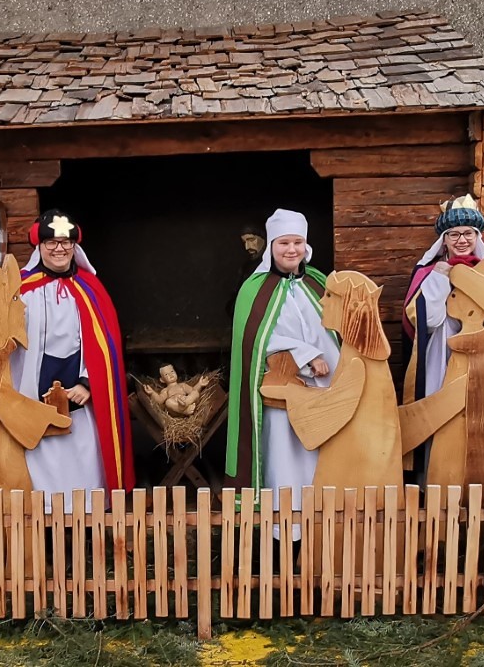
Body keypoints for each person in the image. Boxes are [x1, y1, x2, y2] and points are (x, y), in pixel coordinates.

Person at [0, 209, 134, 511]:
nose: (59, 248)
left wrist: (88, 382)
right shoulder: (21, 290)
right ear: (40, 246)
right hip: (31, 399)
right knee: (39, 473)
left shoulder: (91, 290)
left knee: (84, 467)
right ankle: (44, 528)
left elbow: (108, 346)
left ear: (74, 245)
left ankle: (86, 528)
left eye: (65, 242)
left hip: (79, 400)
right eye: (51, 242)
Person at [402, 194, 484, 473]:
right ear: (444, 240)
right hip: (442, 353)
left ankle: (481, 476)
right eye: (454, 234)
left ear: (477, 236)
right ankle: (435, 476)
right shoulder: (429, 273)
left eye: (468, 233)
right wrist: (440, 277)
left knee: (481, 410)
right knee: (440, 411)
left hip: (483, 354)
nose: (462, 240)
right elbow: (429, 320)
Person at [225, 208, 341, 515]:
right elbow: (257, 340)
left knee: (324, 456)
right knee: (287, 456)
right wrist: (305, 354)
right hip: (284, 394)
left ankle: (322, 519)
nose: (292, 250)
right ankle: (286, 527)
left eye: (297, 242)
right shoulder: (255, 289)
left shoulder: (319, 282)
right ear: (272, 246)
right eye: (284, 243)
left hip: (326, 390)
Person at [143, 364, 210, 416]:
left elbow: (193, 390)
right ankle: (184, 411)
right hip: (175, 407)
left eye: (172, 371)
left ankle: (185, 404)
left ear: (176, 372)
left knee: (195, 393)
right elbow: (159, 400)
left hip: (185, 400)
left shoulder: (182, 385)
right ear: (162, 380)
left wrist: (200, 384)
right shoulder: (165, 390)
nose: (170, 375)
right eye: (166, 374)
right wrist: (152, 393)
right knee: (168, 402)